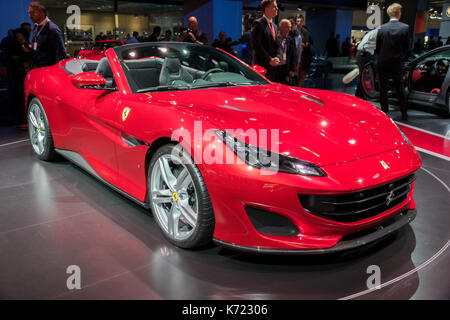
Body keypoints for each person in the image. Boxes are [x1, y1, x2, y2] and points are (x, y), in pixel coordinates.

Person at [376, 3, 410, 120]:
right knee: (400, 87)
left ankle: (384, 111)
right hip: (397, 62)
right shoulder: (405, 27)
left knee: (383, 88)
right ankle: (404, 113)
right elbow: (406, 47)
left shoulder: (382, 28)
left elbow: (378, 47)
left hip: (383, 61)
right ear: (399, 13)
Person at [28, 1, 66, 68]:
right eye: (29, 13)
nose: (30, 16)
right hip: (37, 68)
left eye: (32, 13)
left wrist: (56, 70)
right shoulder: (36, 27)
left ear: (42, 12)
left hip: (48, 70)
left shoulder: (52, 29)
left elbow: (61, 53)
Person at [251, 0, 280, 82]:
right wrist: (269, 59)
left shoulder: (275, 26)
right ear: (267, 9)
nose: (277, 8)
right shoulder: (258, 23)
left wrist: (277, 57)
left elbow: (276, 45)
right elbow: (256, 45)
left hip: (272, 68)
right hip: (261, 68)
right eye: (274, 7)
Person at [355, 27, 379, 100]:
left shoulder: (375, 32)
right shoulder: (379, 33)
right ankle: (360, 97)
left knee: (363, 76)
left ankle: (360, 96)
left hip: (363, 53)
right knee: (363, 76)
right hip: (364, 54)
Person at [273, 19, 296, 84]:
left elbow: (293, 55)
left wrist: (292, 69)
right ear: (281, 27)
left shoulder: (290, 39)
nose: (289, 29)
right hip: (275, 68)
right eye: (287, 27)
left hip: (286, 68)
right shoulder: (274, 38)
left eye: (290, 27)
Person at [296, 14, 313, 86]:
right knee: (295, 74)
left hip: (303, 56)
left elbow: (307, 43)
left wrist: (305, 44)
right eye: (298, 21)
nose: (299, 22)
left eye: (301, 21)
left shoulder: (305, 32)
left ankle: (299, 87)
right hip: (295, 56)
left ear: (303, 22)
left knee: (303, 74)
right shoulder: (293, 30)